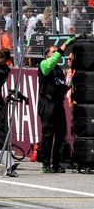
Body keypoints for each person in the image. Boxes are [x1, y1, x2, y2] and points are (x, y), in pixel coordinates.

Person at [37, 40, 73, 173]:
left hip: (58, 104)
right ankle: (45, 164)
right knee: (48, 134)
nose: (57, 54)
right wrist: (64, 46)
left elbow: (61, 88)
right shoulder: (44, 65)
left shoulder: (58, 70)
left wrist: (70, 85)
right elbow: (53, 61)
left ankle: (57, 163)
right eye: (53, 52)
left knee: (60, 133)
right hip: (47, 103)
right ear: (47, 55)